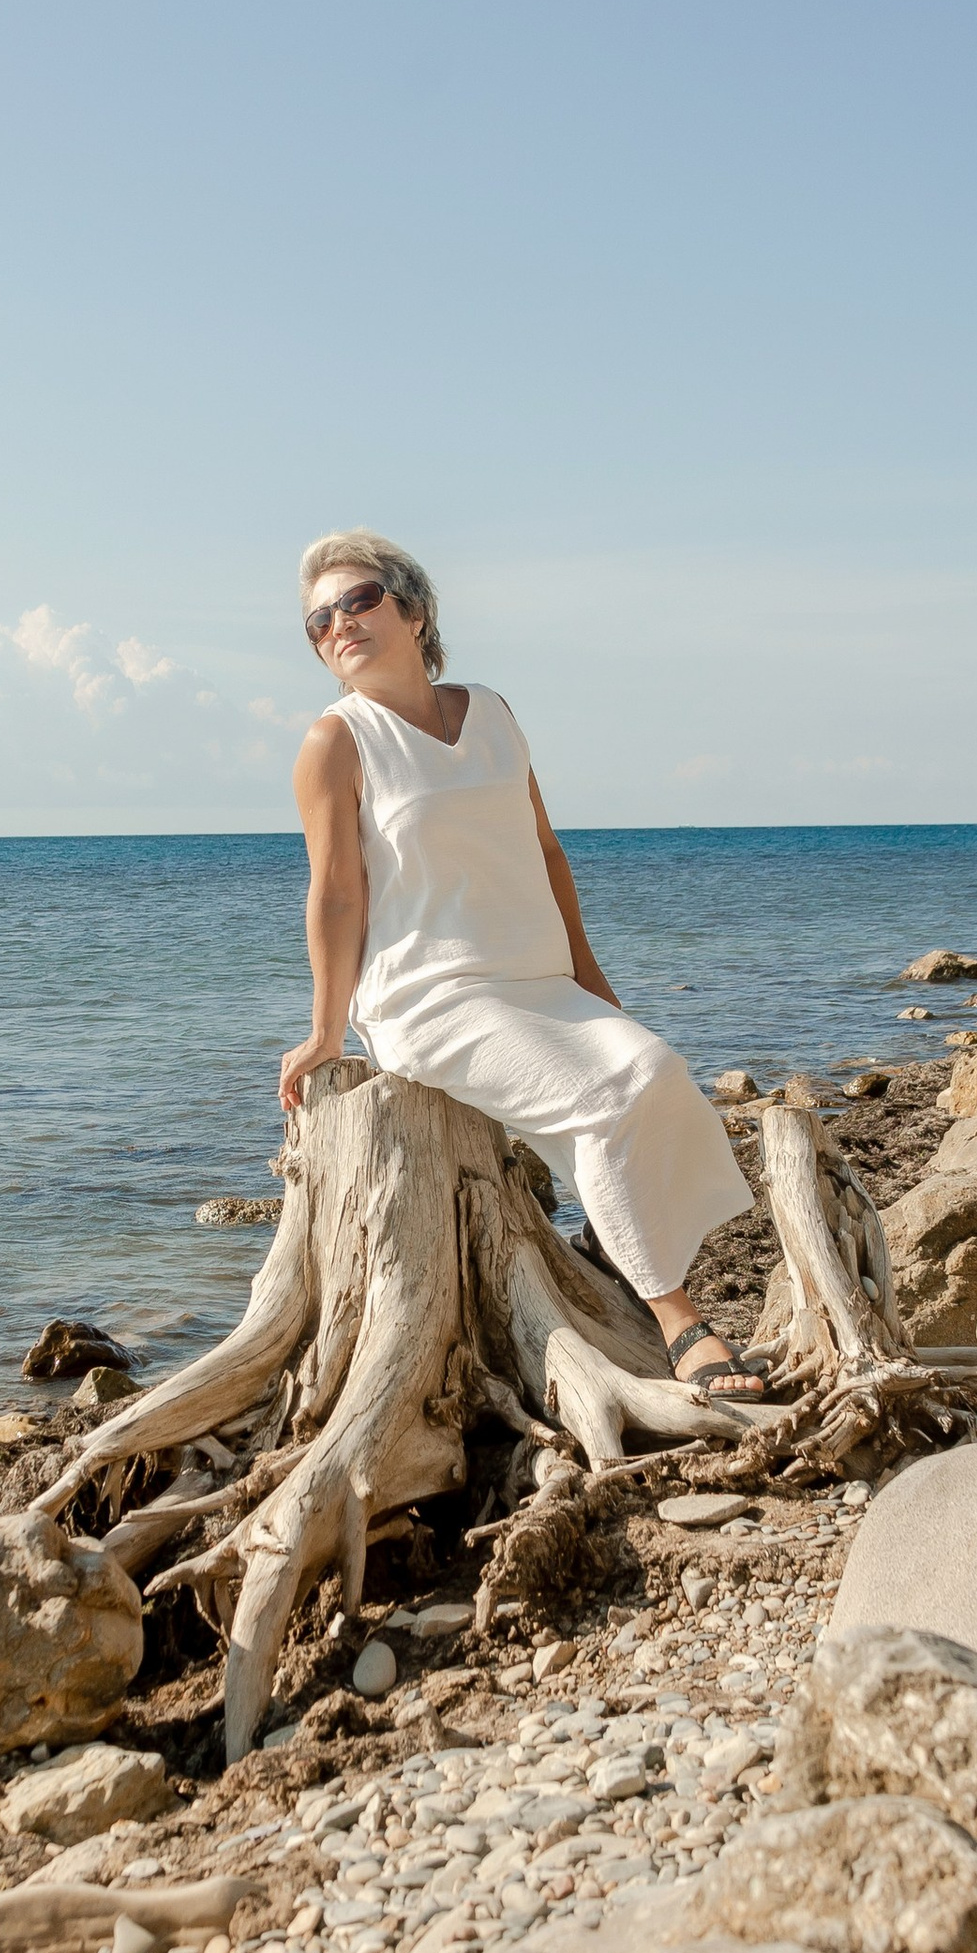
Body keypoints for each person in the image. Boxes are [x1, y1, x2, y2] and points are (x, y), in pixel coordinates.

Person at [278, 528, 769, 1402]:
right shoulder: (336, 744)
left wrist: (592, 982)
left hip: (536, 976)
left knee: (656, 1070)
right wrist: (325, 1028)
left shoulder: (493, 712)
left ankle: (606, 1246)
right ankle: (679, 1320)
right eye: (319, 621)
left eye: (358, 601)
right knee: (603, 1099)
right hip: (431, 997)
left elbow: (543, 851)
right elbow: (338, 894)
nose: (338, 625)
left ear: (414, 609)